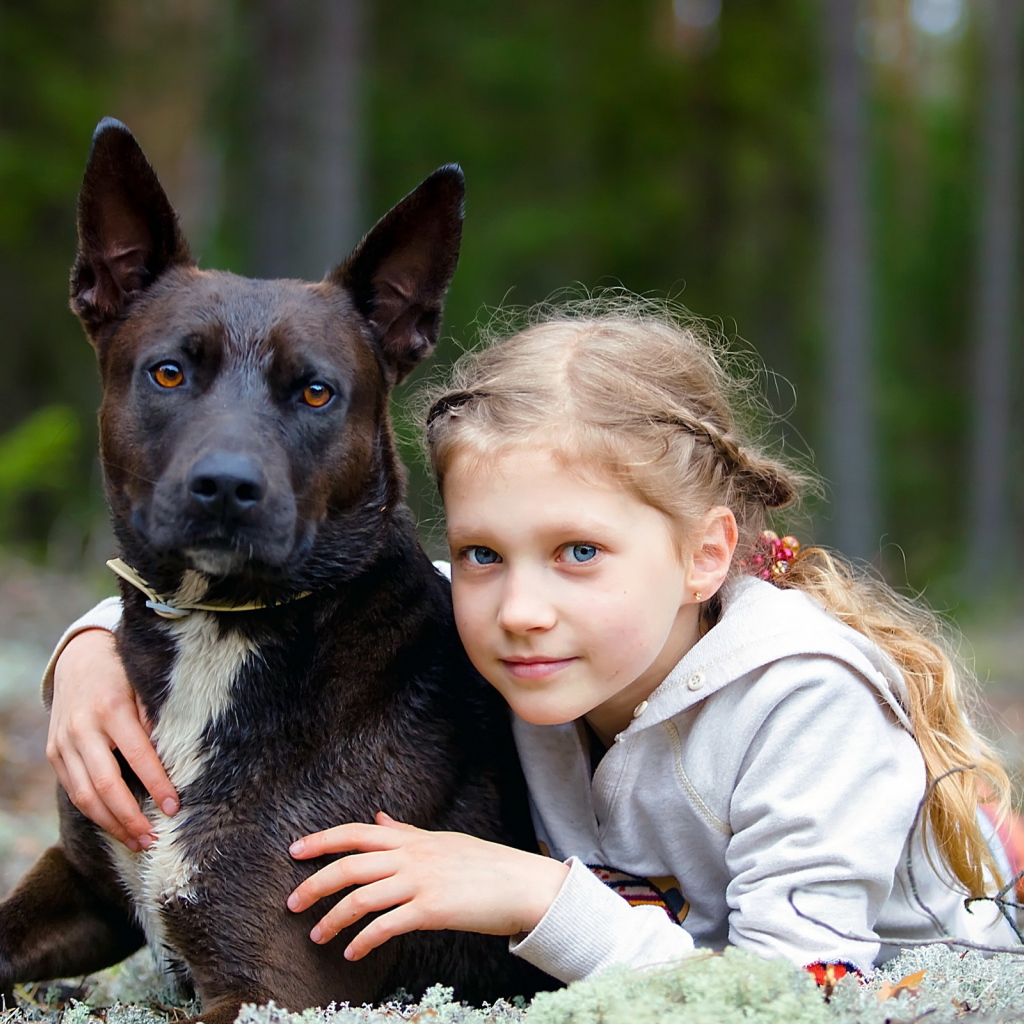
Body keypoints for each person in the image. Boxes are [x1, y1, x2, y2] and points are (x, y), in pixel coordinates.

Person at [44, 297, 1017, 986]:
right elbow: (327, 589)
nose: (519, 607)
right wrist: (87, 648)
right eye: (480, 552)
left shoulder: (803, 707)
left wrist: (540, 896)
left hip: (945, 965)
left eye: (578, 551)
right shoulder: (531, 634)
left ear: (703, 555)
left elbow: (804, 993)